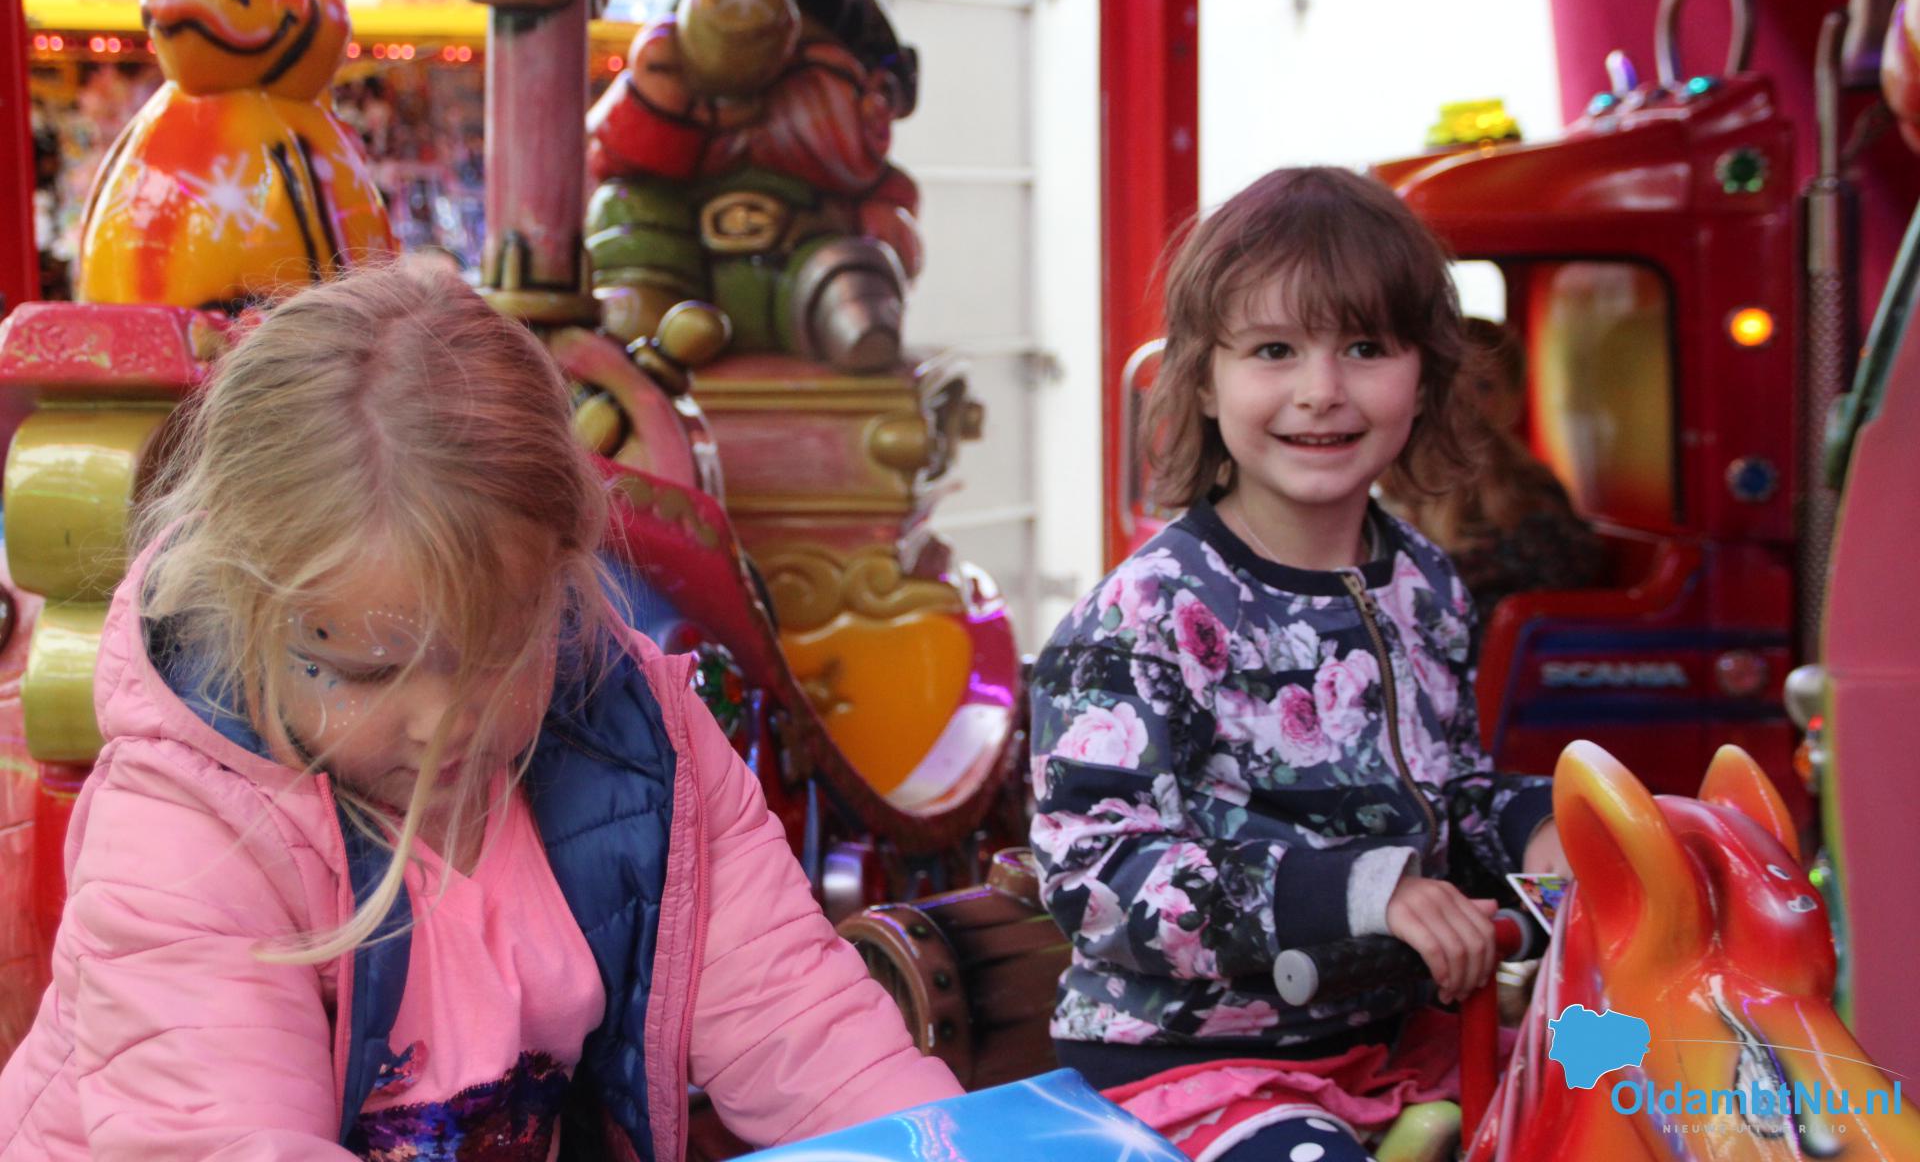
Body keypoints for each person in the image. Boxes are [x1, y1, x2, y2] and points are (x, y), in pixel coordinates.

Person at [0, 262, 961, 1160]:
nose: (441, 723)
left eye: (496, 652)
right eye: (371, 671)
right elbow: (227, 1140)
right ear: (250, 616)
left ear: (561, 580)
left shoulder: (645, 752)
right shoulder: (186, 833)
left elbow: (806, 1031)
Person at [1029, 168, 1568, 1161]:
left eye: (1365, 347)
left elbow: (1443, 800)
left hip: (1397, 1039)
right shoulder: (1150, 611)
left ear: (1424, 375)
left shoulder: (1425, 582)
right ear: (1203, 379)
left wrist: (1540, 828)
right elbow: (1096, 877)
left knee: (1635, 1091)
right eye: (1274, 350)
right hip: (1195, 1060)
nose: (1322, 390)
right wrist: (1363, 891)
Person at [1383, 317, 1607, 623]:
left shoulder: (1530, 494)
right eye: (1446, 385)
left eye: (1483, 386)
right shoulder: (1394, 478)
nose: (1462, 402)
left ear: (1514, 400)